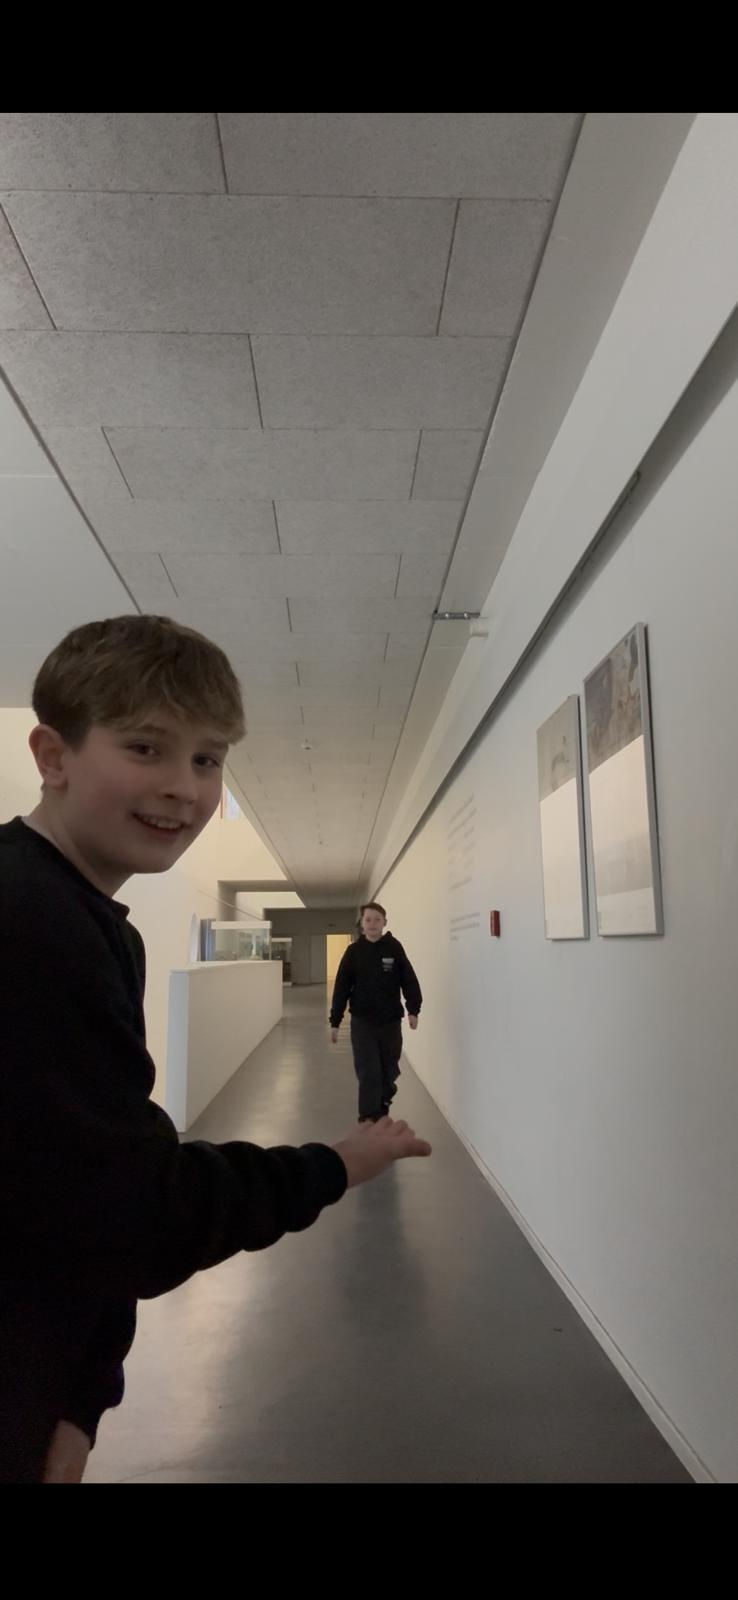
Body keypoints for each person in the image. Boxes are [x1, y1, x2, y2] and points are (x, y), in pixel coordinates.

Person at [0, 615, 431, 1485]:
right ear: (52, 754)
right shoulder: (30, 920)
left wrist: (79, 1397)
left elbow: (84, 1186)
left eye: (207, 759)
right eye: (145, 748)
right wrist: (334, 1164)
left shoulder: (91, 924)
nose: (184, 790)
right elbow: (137, 1212)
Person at [329, 902, 422, 1123]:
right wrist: (335, 1021)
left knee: (389, 1070)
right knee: (368, 1071)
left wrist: (413, 1009)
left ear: (384, 922)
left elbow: (408, 979)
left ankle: (382, 1106)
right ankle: (368, 1119)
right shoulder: (353, 952)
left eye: (377, 919)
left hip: (390, 1022)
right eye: (368, 920)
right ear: (361, 924)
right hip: (363, 1022)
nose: (372, 924)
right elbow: (342, 987)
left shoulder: (394, 948)